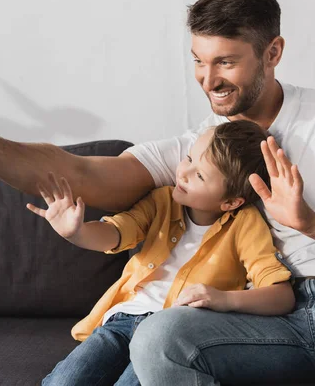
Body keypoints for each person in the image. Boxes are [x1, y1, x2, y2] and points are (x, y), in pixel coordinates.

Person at [0, 0, 315, 384]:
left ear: (273, 52)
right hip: (259, 315)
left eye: (225, 61)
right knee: (159, 336)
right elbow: (87, 173)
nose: (208, 79)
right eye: (198, 60)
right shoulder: (198, 149)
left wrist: (310, 222)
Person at [28, 121, 294, 385]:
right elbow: (118, 232)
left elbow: (281, 296)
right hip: (122, 322)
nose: (184, 172)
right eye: (189, 158)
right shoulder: (162, 201)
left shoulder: (245, 223)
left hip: (172, 336)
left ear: (231, 202)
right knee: (62, 383)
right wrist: (76, 233)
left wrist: (223, 299)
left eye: (200, 175)